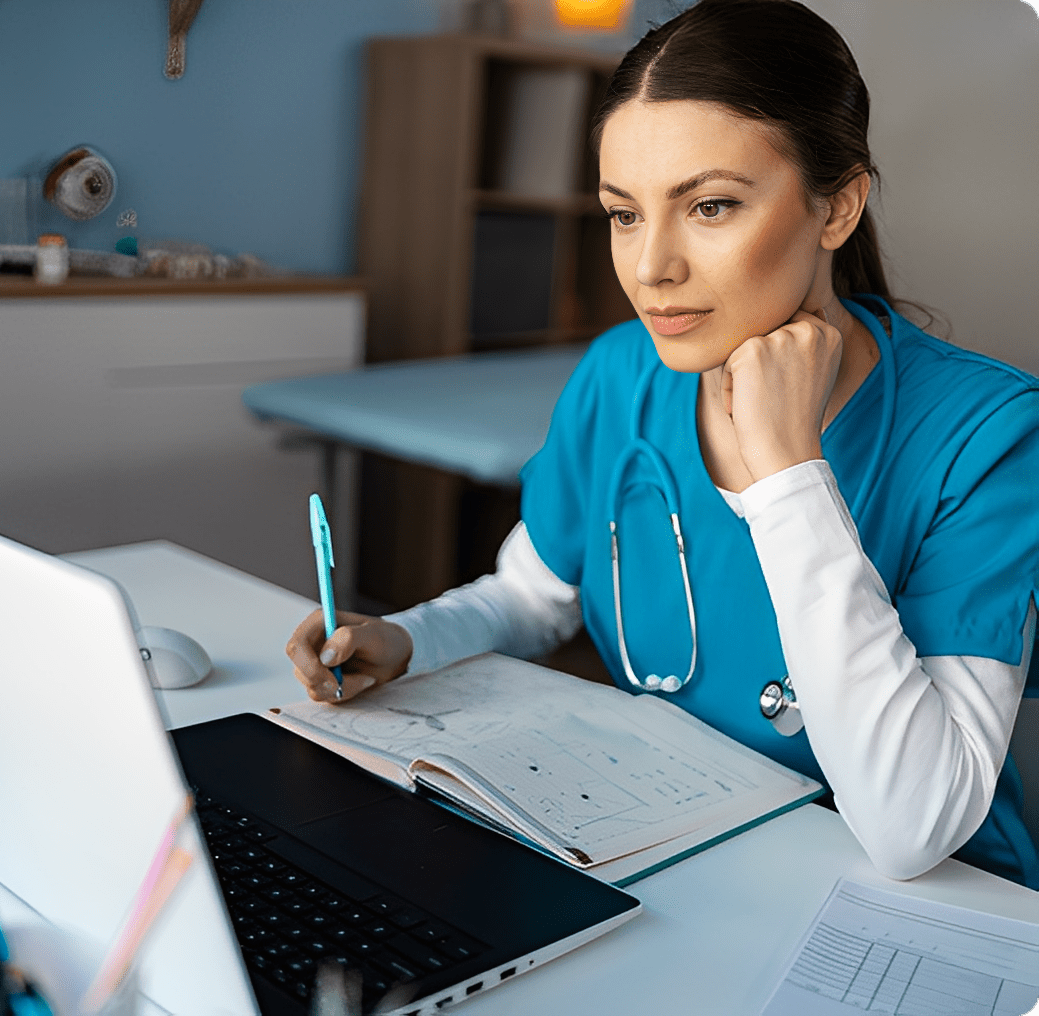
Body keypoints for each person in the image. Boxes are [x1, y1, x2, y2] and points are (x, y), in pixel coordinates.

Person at [287, 0, 1039, 889]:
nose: (650, 268)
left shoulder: (987, 434)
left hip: (926, 907)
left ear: (837, 206)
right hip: (681, 853)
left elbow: (915, 828)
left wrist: (789, 476)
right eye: (624, 214)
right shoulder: (621, 376)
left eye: (711, 205)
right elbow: (535, 597)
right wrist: (408, 639)